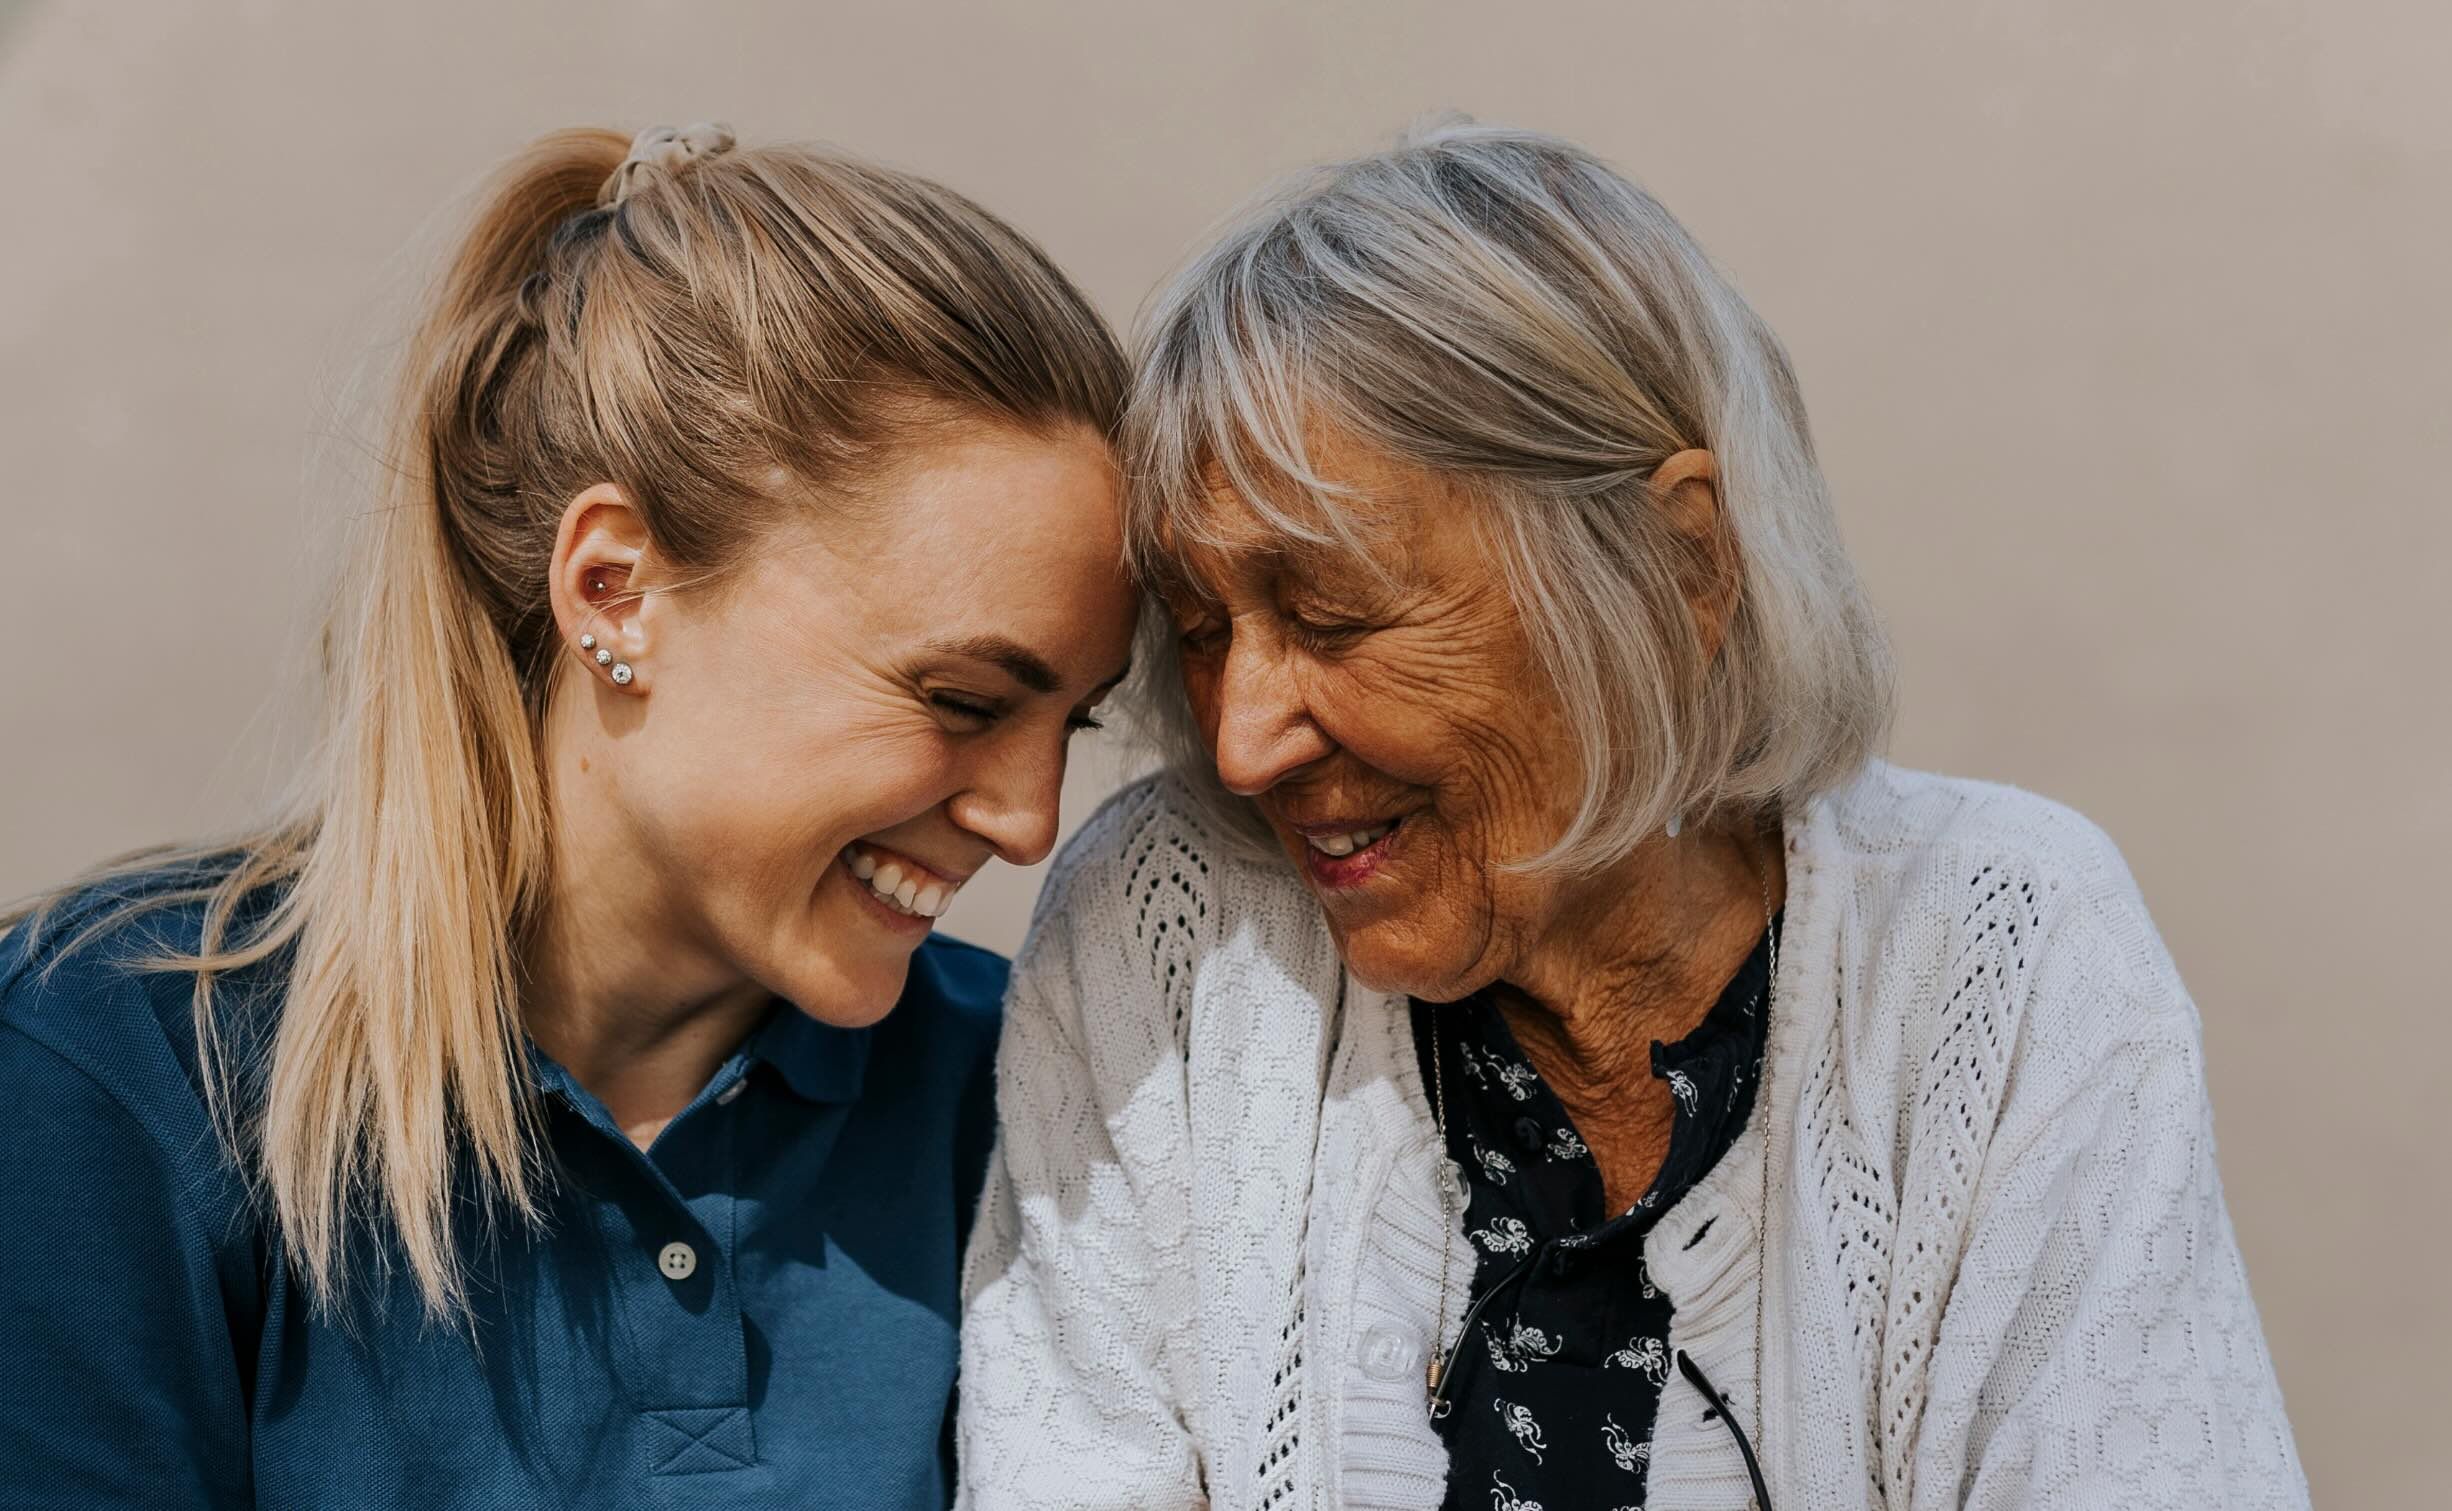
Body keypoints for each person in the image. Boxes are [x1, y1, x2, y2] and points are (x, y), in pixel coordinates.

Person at [957, 121, 2308, 1510]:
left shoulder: (1996, 947)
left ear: (1680, 564)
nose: (1242, 743)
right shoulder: (1170, 928)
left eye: (1334, 613)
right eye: (1198, 627)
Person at [0, 123, 1133, 1508]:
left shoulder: (1036, 1102)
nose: (1031, 820)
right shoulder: (104, 1075)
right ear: (614, 592)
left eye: (1071, 721)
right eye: (961, 700)